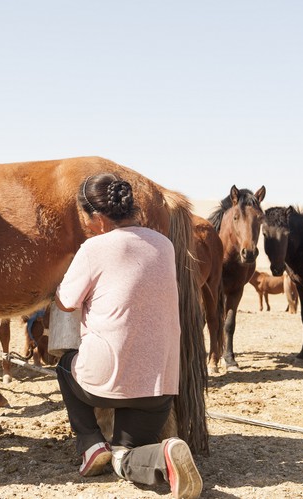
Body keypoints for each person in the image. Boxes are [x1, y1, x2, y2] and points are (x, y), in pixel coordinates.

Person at [54, 174, 202, 498]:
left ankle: (91, 444)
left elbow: (65, 301)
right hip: (159, 385)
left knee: (64, 366)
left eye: (86, 219)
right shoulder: (164, 244)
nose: (87, 226)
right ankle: (165, 455)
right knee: (127, 455)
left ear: (98, 217)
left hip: (105, 380)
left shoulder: (93, 248)